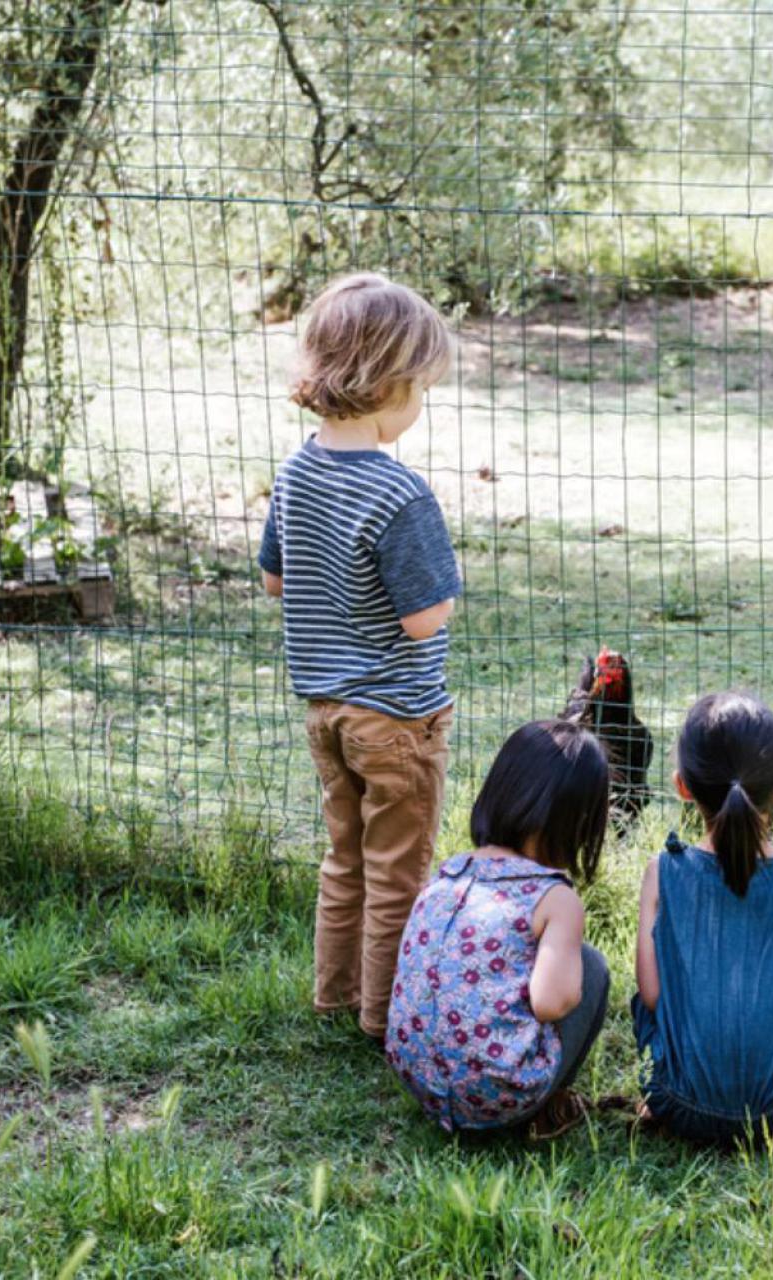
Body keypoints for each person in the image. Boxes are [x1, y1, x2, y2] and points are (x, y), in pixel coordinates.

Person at [258, 272, 460, 1042]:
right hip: (398, 720)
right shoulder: (399, 493)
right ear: (387, 387)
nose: (420, 406)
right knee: (398, 872)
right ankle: (386, 1018)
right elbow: (422, 620)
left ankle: (334, 995)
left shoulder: (297, 471)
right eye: (420, 390)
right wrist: (446, 584)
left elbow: (276, 579)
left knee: (345, 857)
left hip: (327, 715)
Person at [632, 691, 773, 1142]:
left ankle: (659, 1103)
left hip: (676, 1104)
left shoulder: (663, 872)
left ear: (682, 786)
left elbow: (652, 995)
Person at [386, 720, 614, 1139]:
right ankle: (541, 1109)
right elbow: (551, 1002)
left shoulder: (449, 875)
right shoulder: (554, 898)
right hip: (493, 1099)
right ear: (578, 822)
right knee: (592, 967)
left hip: (418, 1080)